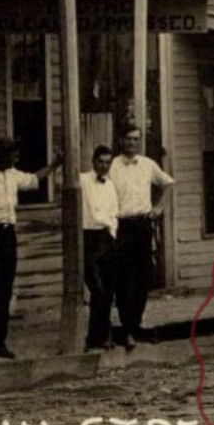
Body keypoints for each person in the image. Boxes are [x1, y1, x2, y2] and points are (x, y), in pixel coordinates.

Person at [0, 137, 60, 360]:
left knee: (4, 290)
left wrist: (55, 164)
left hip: (8, 236)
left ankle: (0, 342)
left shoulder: (13, 175)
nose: (15, 158)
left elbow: (34, 179)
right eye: (11, 154)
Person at [107, 127, 174, 351]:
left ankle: (134, 326)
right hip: (120, 225)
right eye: (128, 139)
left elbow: (168, 183)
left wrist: (159, 208)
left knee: (143, 277)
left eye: (136, 139)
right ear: (120, 140)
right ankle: (127, 329)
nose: (132, 143)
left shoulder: (148, 164)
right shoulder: (112, 165)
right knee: (123, 279)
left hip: (142, 225)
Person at [80, 145, 120, 352]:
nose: (104, 166)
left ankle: (100, 336)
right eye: (101, 162)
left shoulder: (110, 185)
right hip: (88, 238)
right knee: (97, 288)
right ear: (93, 161)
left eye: (108, 162)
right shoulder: (82, 181)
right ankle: (94, 336)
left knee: (108, 290)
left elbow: (114, 212)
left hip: (106, 237)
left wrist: (112, 234)